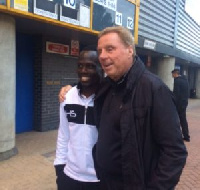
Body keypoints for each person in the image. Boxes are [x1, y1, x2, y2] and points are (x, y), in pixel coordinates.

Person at [59, 26, 187, 190]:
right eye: (100, 51)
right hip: (104, 182)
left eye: (110, 49)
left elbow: (175, 152)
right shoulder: (107, 86)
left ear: (129, 50)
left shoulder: (154, 89)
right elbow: (87, 85)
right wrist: (70, 89)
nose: (103, 56)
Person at [54, 47, 102, 190]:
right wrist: (59, 166)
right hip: (69, 176)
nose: (83, 70)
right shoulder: (67, 97)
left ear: (101, 69)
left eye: (90, 66)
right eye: (80, 65)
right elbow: (63, 134)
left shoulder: (109, 98)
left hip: (99, 178)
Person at [171, 69, 190, 142]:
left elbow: (176, 94)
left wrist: (173, 102)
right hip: (184, 102)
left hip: (179, 104)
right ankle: (186, 136)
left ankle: (175, 135)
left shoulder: (177, 81)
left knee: (175, 119)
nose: (172, 76)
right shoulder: (185, 80)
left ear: (175, 74)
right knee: (183, 119)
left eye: (172, 74)